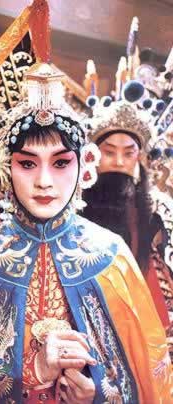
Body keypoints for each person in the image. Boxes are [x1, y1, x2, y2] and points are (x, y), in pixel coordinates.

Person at [0, 62, 172, 403]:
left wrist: (96, 395)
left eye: (61, 162)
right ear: (7, 167)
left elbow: (148, 382)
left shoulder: (113, 258)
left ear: (84, 167)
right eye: (27, 163)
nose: (44, 181)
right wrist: (33, 371)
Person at [82, 79, 173, 351]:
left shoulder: (157, 210)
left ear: (139, 157)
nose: (119, 161)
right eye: (109, 152)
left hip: (140, 308)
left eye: (128, 153)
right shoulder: (74, 206)